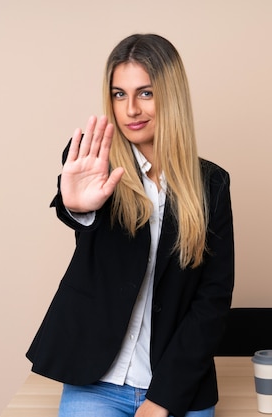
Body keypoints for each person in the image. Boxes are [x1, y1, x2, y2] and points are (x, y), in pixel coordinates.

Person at [26, 34, 235, 417]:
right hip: (97, 384)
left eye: (146, 93)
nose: (132, 109)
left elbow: (212, 301)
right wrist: (77, 209)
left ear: (171, 96)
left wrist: (162, 401)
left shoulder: (212, 184)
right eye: (119, 95)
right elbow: (76, 212)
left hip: (175, 387)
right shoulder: (95, 163)